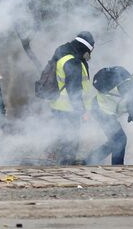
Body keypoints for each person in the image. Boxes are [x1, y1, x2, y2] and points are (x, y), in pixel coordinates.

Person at [86, 67, 133, 165]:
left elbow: (121, 100)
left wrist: (129, 110)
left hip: (100, 108)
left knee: (115, 141)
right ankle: (117, 168)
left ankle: (90, 160)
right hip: (101, 110)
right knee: (120, 140)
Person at [47, 31, 95, 165]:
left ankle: (61, 162)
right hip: (69, 107)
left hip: (57, 104)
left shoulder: (62, 51)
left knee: (63, 136)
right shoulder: (73, 61)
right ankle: (66, 166)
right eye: (89, 50)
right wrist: (83, 111)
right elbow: (74, 90)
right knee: (71, 139)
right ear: (84, 47)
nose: (89, 55)